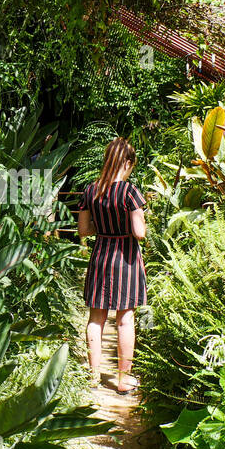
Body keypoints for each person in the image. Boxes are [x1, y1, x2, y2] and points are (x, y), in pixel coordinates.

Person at [77, 138, 147, 393]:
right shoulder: (130, 192)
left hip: (100, 257)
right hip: (126, 258)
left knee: (96, 319)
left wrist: (103, 226)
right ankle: (122, 380)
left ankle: (94, 377)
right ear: (127, 162)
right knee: (125, 320)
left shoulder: (90, 191)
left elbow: (84, 230)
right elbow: (139, 233)